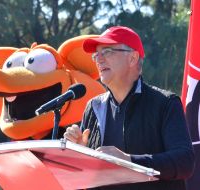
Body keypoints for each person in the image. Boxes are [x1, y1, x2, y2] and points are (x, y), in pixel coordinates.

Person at [64, 26, 195, 190]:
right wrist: (79, 152)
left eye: (107, 51)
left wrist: (128, 161)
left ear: (133, 58)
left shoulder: (166, 103)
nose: (99, 59)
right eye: (96, 55)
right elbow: (85, 175)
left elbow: (184, 162)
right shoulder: (93, 107)